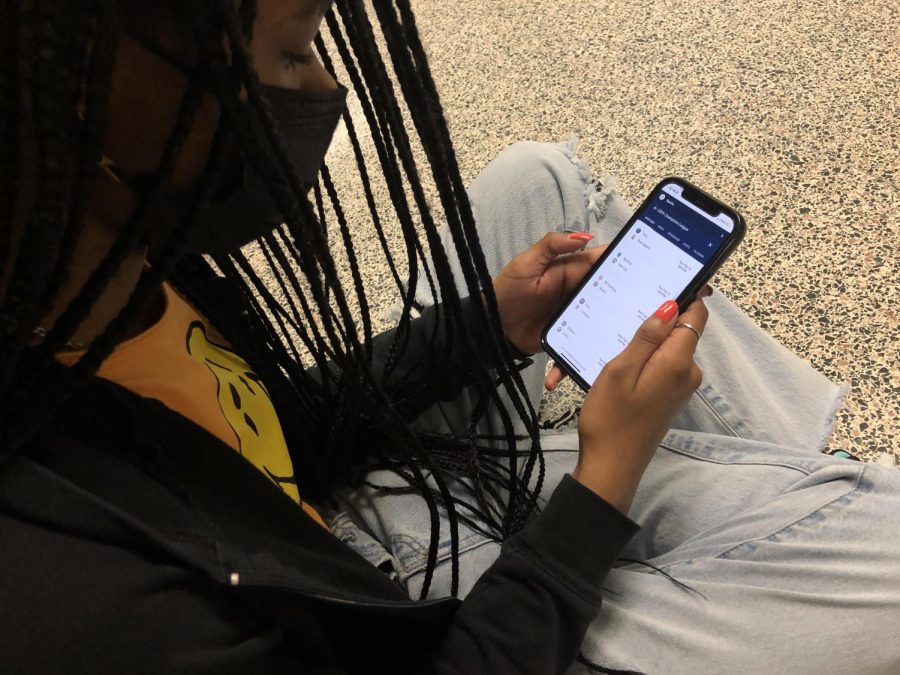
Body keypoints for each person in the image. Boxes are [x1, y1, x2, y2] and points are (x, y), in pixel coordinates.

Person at [0, 1, 897, 674]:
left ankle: (762, 508)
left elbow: (258, 429)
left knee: (544, 180)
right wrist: (600, 489)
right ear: (78, 87)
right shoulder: (80, 604)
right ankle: (774, 508)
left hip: (318, 512)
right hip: (373, 613)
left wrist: (484, 330)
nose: (324, 90)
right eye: (295, 49)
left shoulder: (94, 263)